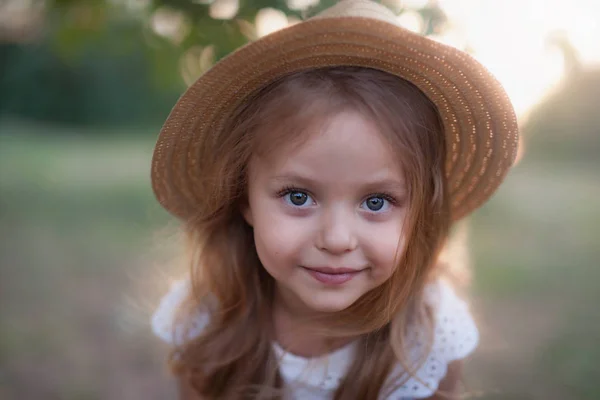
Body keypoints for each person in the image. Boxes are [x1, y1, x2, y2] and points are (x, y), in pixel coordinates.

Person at [149, 0, 519, 398]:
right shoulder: (210, 318)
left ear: (418, 213)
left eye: (376, 202)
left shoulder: (427, 335)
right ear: (245, 199)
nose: (337, 239)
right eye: (298, 195)